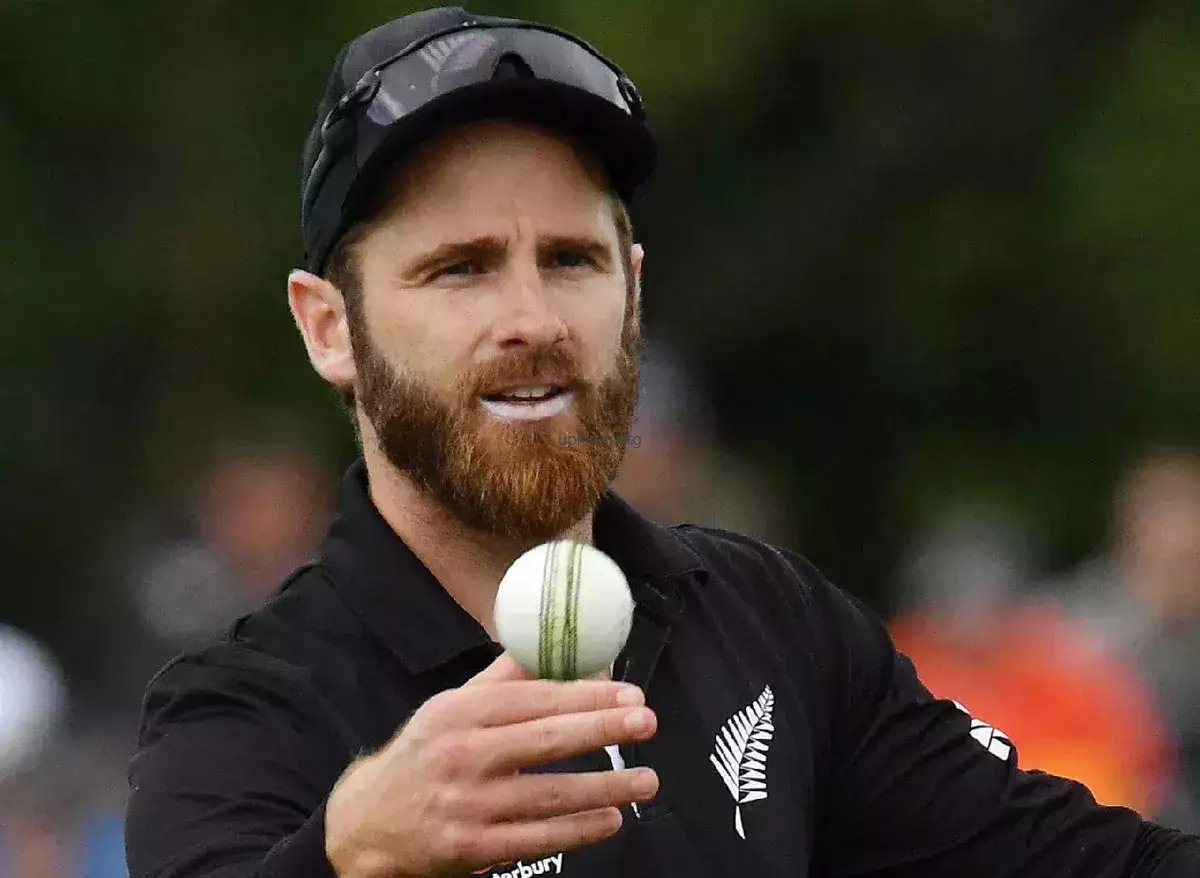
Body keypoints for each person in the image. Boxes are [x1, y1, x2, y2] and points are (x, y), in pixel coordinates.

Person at [123, 8, 1200, 877]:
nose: (533, 319)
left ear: (632, 289)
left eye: (571, 259)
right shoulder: (247, 714)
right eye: (459, 268)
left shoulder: (772, 619)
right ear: (329, 328)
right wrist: (349, 855)